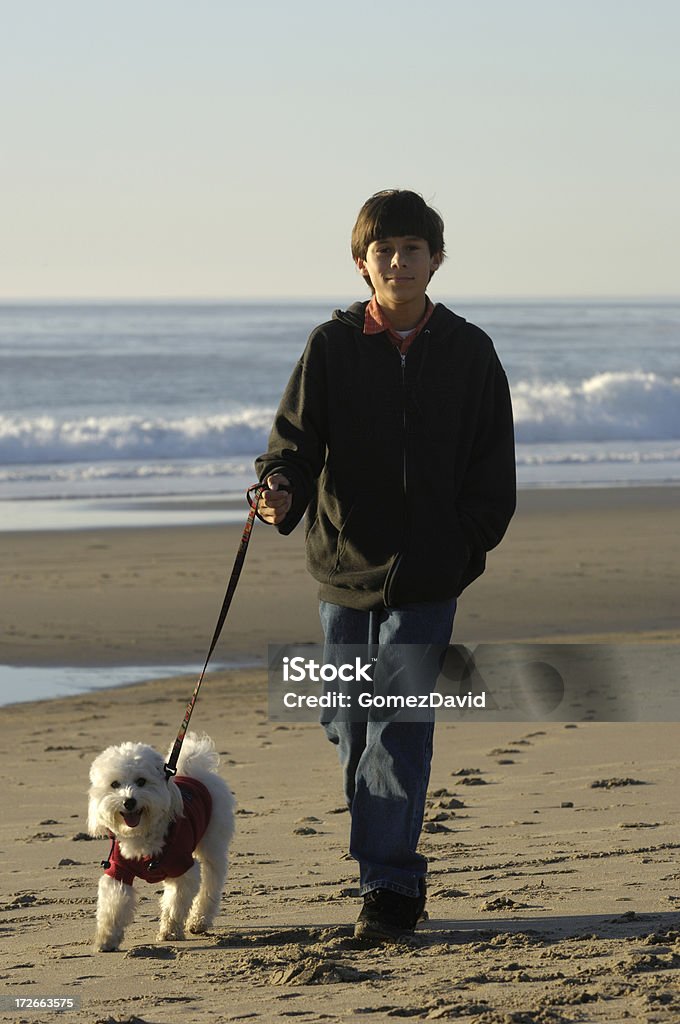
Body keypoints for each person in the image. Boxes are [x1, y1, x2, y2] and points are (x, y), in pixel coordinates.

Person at [255, 189, 515, 941]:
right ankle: (385, 862)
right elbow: (293, 446)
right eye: (384, 251)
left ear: (436, 260)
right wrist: (280, 489)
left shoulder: (470, 350)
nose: (398, 262)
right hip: (345, 564)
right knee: (347, 719)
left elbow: (492, 466)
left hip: (430, 575)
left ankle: (390, 886)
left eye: (412, 250)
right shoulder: (332, 345)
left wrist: (465, 543)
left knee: (398, 723)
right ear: (362, 262)